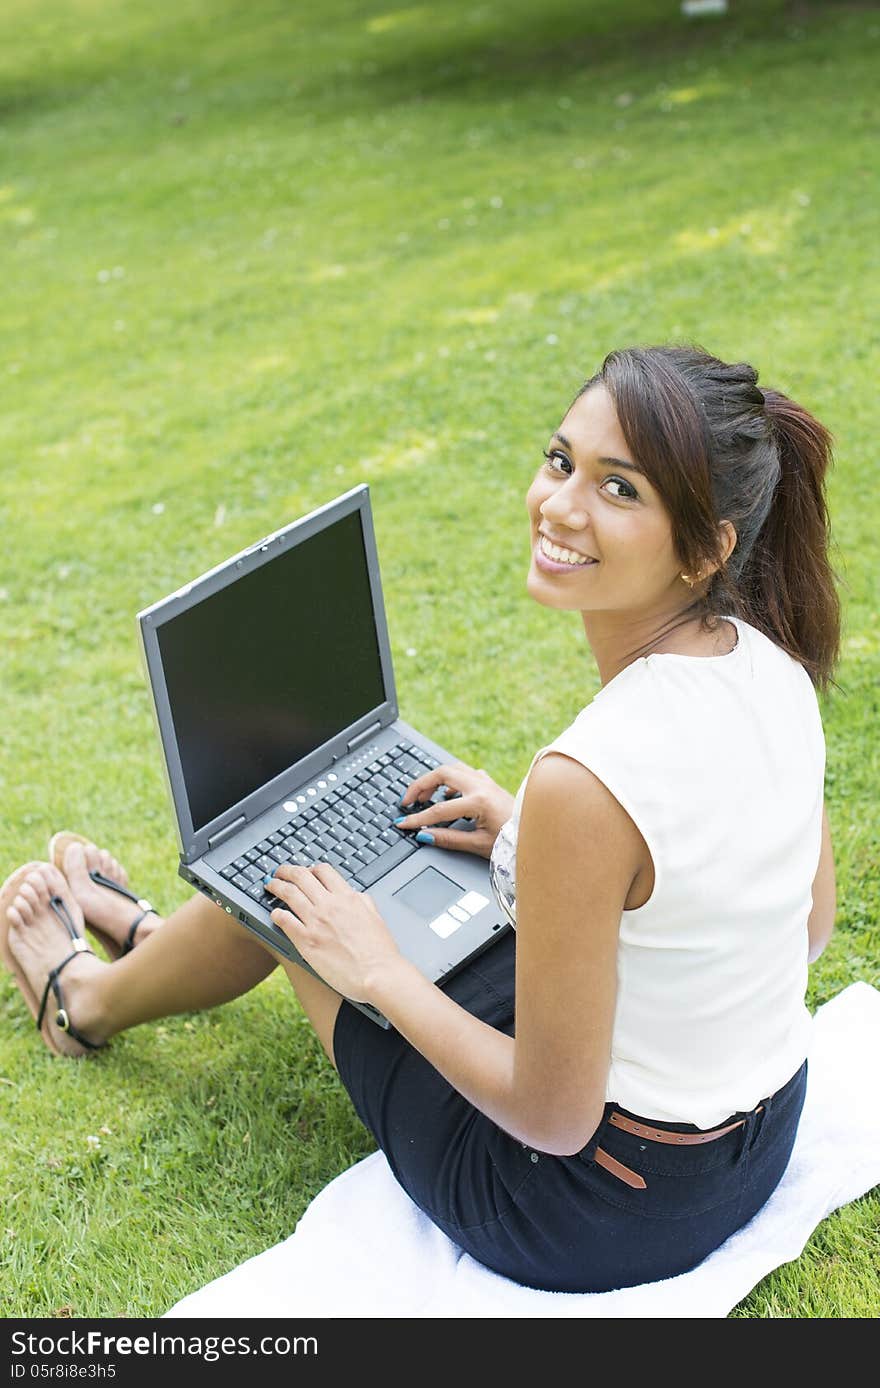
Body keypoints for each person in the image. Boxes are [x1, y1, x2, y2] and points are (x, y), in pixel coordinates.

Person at [0, 343, 840, 1294]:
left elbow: (555, 1121)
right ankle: (149, 940)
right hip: (759, 1138)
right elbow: (803, 930)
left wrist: (380, 973)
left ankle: (82, 1002)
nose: (560, 506)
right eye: (561, 461)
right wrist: (546, 846)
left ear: (707, 547)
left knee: (297, 891)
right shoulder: (771, 666)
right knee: (348, 880)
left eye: (620, 489)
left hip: (588, 1208)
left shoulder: (589, 782)